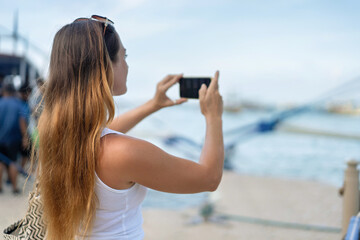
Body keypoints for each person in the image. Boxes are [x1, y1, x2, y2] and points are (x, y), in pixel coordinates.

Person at [32, 15, 223, 240]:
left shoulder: (55, 134)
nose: (127, 64)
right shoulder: (123, 152)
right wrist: (213, 117)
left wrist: (153, 105)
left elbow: (102, 132)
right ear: (105, 68)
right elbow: (209, 178)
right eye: (124, 56)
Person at [0, 82, 27, 194]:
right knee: (13, 162)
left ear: (4, 92)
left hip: (0, 139)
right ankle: (15, 188)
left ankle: (0, 187)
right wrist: (25, 137)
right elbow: (22, 121)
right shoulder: (18, 104)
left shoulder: (0, 103)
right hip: (13, 139)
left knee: (0, 162)